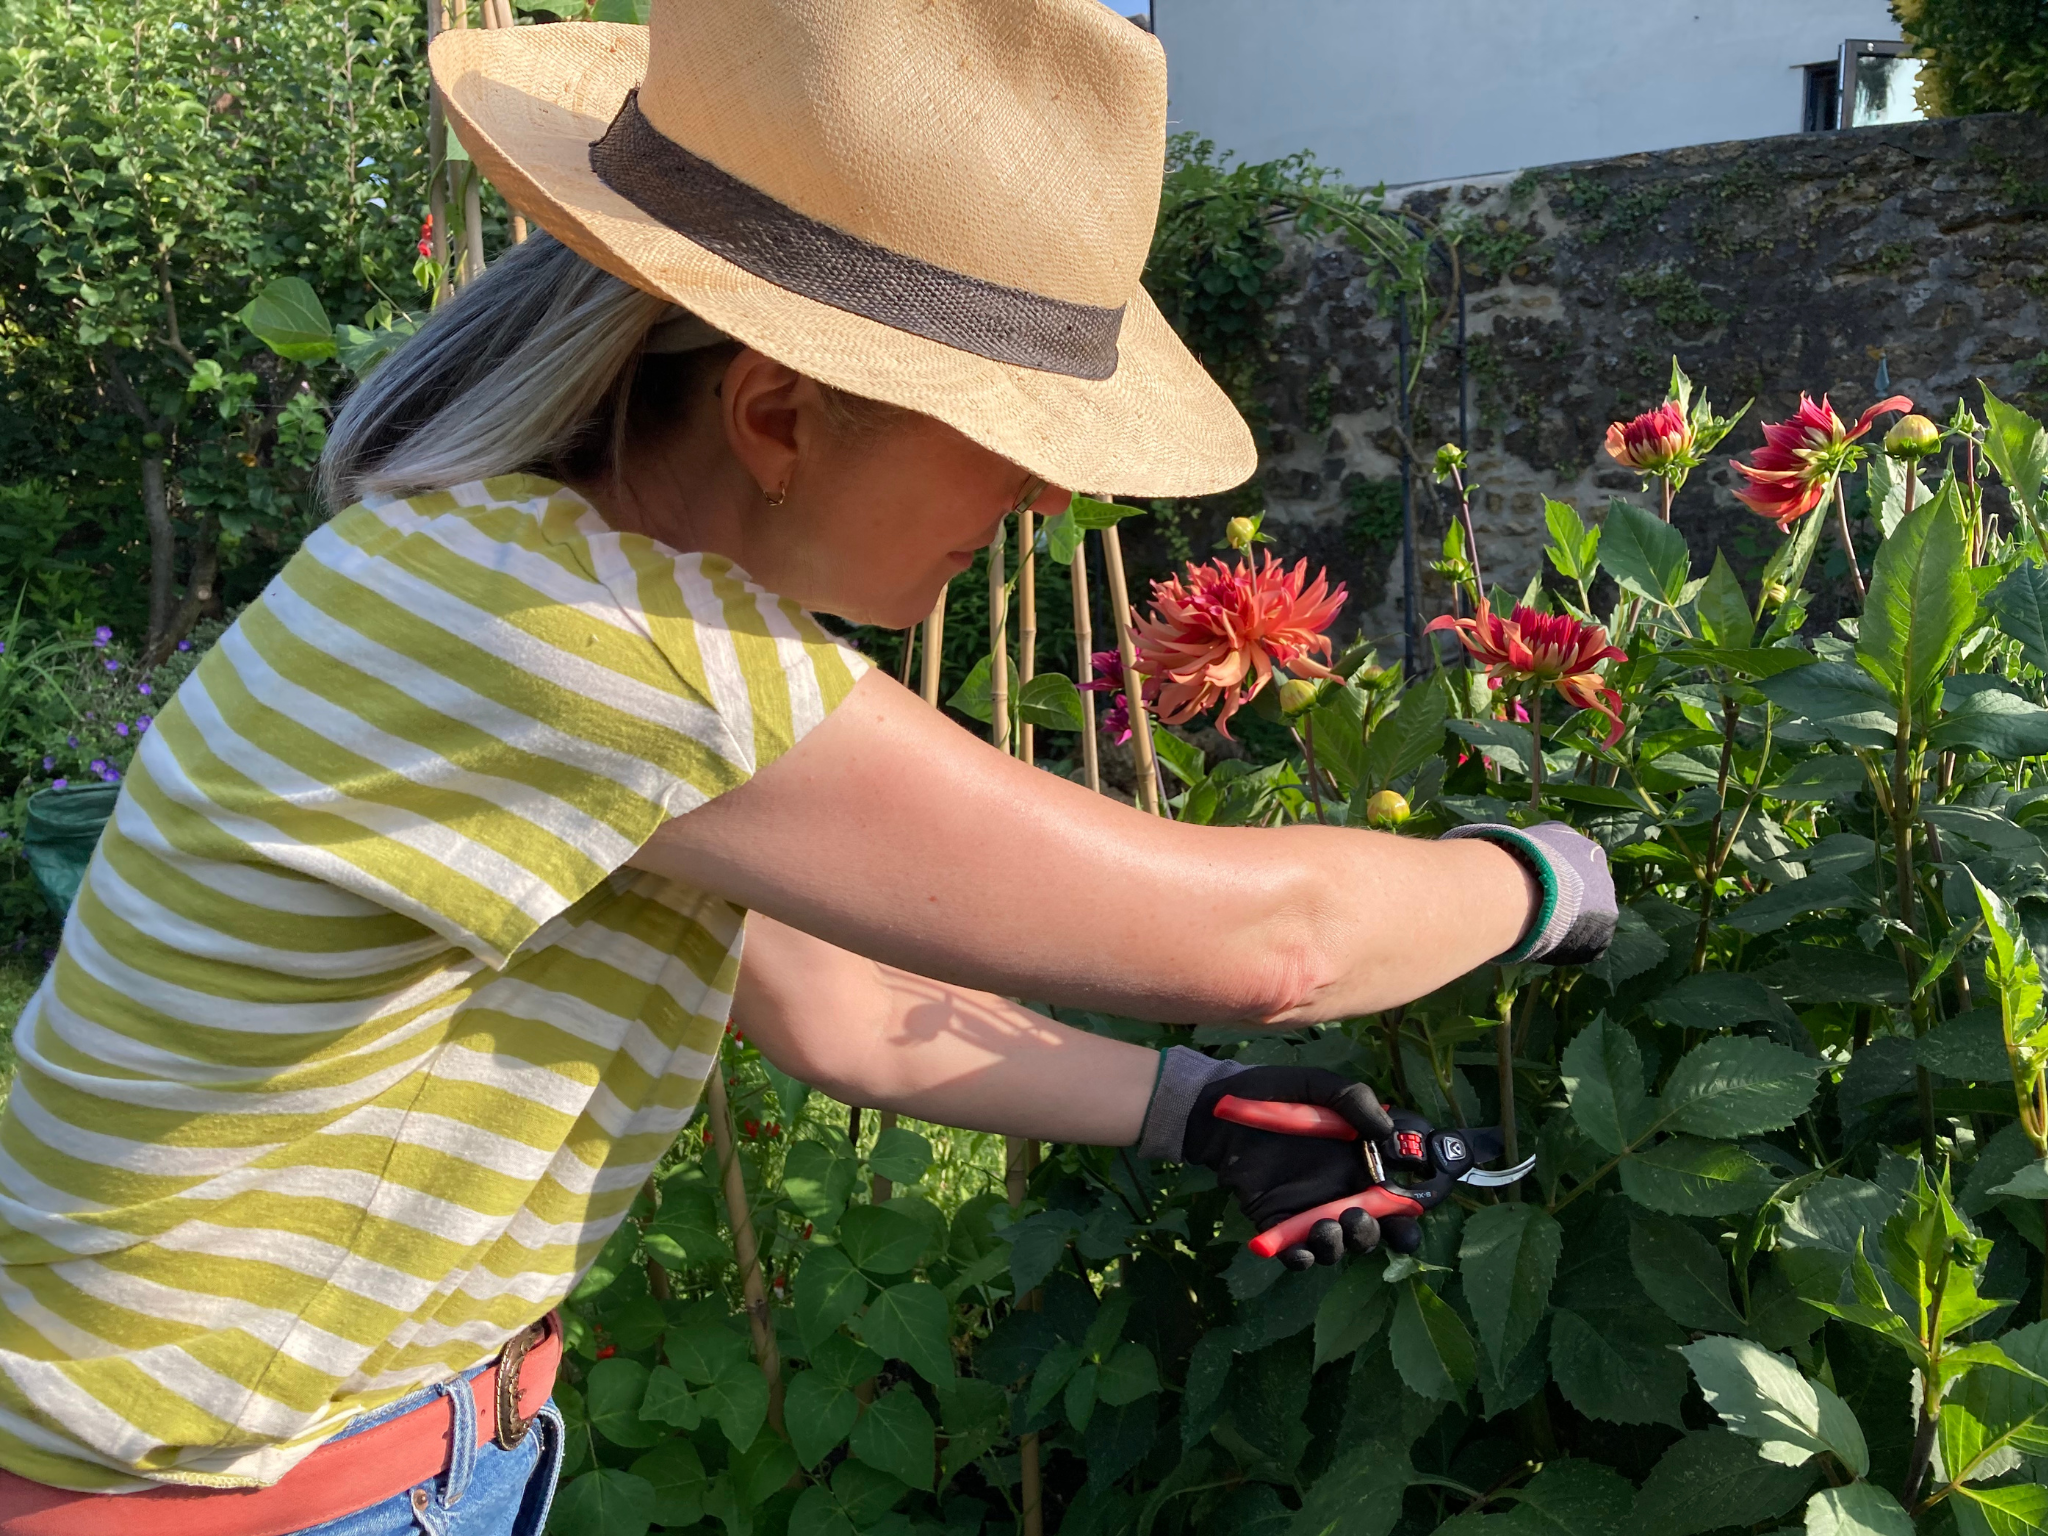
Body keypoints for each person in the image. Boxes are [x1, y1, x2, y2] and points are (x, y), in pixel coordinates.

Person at [0, 1, 1613, 1530]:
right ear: (778, 416)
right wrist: (1557, 874)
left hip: (316, 1463)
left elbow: (843, 1015)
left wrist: (1200, 1109)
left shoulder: (508, 581)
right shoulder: (595, 642)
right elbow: (1272, 943)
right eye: (1020, 433)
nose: (1051, 501)